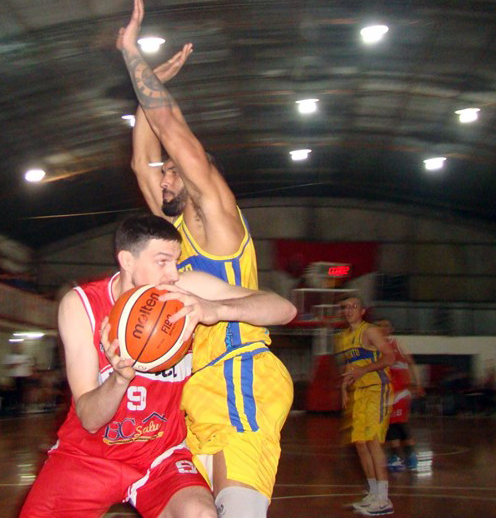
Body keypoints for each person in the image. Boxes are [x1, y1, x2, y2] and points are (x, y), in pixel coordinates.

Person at [118, 3, 294, 515]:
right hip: (198, 388)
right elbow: (140, 160)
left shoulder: (219, 223)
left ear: (199, 178)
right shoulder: (172, 237)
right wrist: (143, 94)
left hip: (241, 372)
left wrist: (133, 55)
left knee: (239, 509)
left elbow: (171, 128)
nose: (163, 178)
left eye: (173, 172)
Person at [19, 214, 296, 518]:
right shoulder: (81, 305)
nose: (173, 274)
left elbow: (285, 309)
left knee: (200, 514)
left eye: (176, 261)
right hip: (89, 455)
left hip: (161, 456)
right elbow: (89, 418)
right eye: (162, 262)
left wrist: (216, 309)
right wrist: (119, 380)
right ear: (126, 260)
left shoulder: (186, 289)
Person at [335, 296, 395, 516]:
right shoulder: (343, 338)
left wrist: (364, 371)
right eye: (345, 307)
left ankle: (384, 498)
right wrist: (344, 388)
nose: (349, 310)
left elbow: (389, 357)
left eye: (354, 306)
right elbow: (351, 368)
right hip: (359, 392)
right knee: (360, 443)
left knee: (373, 441)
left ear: (362, 312)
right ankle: (373, 492)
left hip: (377, 389)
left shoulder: (370, 331)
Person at [375, 319, 423, 472]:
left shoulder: (397, 344)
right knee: (389, 424)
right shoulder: (374, 347)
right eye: (379, 326)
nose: (382, 328)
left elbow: (411, 363)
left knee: (400, 422)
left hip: (401, 391)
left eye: (386, 326)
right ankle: (395, 456)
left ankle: (410, 455)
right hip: (385, 392)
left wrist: (418, 383)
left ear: (391, 329)